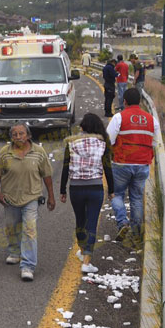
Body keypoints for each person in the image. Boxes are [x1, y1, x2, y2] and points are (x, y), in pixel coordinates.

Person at [0, 123, 55, 281]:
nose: (18, 137)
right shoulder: (4, 153)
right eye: (14, 134)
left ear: (28, 136)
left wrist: (51, 196)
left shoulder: (39, 152)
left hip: (31, 197)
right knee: (12, 226)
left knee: (29, 230)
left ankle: (28, 265)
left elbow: (46, 175)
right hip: (10, 197)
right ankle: (14, 251)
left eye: (21, 134)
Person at [60, 113, 115, 274]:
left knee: (80, 220)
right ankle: (87, 260)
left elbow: (65, 167)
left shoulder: (71, 143)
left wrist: (62, 189)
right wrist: (111, 190)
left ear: (82, 127)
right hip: (95, 188)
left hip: (75, 188)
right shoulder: (102, 144)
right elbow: (107, 168)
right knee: (91, 223)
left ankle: (82, 249)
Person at [107, 88, 160, 249]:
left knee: (117, 194)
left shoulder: (119, 117)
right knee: (136, 198)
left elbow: (108, 139)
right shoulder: (152, 119)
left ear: (124, 102)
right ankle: (137, 233)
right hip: (142, 165)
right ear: (139, 101)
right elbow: (156, 143)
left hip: (121, 164)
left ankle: (123, 222)